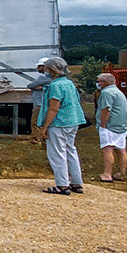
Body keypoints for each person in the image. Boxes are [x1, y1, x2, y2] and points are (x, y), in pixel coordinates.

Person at [38, 56, 84, 195]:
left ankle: (62, 185)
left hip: (59, 123)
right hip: (72, 121)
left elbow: (53, 108)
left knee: (57, 153)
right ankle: (76, 182)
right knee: (71, 150)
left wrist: (45, 126)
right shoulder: (69, 83)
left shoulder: (55, 85)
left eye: (46, 68)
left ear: (52, 69)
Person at [95, 72, 127, 183]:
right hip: (122, 125)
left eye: (99, 81)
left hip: (110, 126)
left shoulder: (106, 93)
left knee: (107, 149)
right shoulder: (118, 92)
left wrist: (103, 124)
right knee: (121, 149)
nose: (97, 83)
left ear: (104, 83)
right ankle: (121, 173)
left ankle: (107, 174)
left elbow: (106, 109)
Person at [27, 61, 52, 144]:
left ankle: (36, 140)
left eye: (39, 66)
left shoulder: (43, 77)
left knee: (35, 122)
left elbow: (30, 85)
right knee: (44, 122)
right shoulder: (52, 77)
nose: (37, 68)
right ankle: (44, 139)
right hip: (45, 103)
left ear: (43, 67)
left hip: (39, 103)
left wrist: (37, 87)